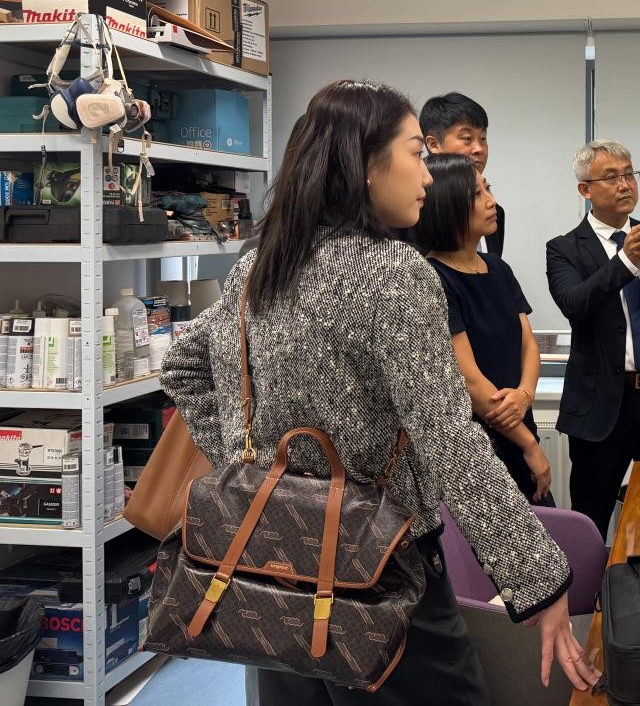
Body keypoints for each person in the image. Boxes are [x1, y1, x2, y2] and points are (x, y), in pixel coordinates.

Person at [161, 80, 599, 706]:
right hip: (382, 567)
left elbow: (183, 366)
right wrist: (538, 578)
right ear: (366, 164)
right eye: (417, 153)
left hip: (270, 559)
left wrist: (245, 466)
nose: (429, 174)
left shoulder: (259, 266)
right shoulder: (393, 273)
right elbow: (450, 441)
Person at [545, 140, 640, 537]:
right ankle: (591, 581)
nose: (624, 184)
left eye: (630, 174)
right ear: (585, 190)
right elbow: (575, 304)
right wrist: (626, 261)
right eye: (611, 177)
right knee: (592, 519)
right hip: (601, 405)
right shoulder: (564, 248)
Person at [412, 152, 554, 505]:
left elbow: (528, 345)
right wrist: (529, 444)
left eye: (488, 189)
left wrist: (524, 395)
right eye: (478, 194)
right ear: (447, 204)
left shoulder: (498, 268)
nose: (492, 202)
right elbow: (470, 380)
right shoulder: (432, 278)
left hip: (519, 421)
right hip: (482, 443)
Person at [420, 92, 505, 255]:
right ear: (434, 144)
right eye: (467, 138)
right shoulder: (414, 212)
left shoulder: (495, 214)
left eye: (483, 138)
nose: (479, 149)